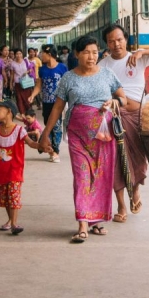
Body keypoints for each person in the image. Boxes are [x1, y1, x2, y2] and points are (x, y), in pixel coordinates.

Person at [38, 35, 128, 243]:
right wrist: (45, 134)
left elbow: (123, 98)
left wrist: (114, 102)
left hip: (104, 137)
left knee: (101, 177)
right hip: (78, 137)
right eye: (86, 52)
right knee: (82, 178)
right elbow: (58, 108)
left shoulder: (107, 74)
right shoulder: (68, 78)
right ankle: (83, 223)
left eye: (95, 52)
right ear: (77, 54)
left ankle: (96, 221)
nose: (91, 56)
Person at [99, 24, 149, 222]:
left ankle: (135, 190)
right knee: (114, 162)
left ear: (125, 40)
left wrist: (142, 52)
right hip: (113, 118)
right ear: (107, 44)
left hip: (136, 117)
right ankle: (121, 206)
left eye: (119, 39)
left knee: (137, 159)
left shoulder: (138, 57)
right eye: (111, 41)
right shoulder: (104, 65)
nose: (116, 44)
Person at [0, 99, 44, 235]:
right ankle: (10, 220)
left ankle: (14, 223)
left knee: (14, 196)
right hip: (1, 170)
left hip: (15, 170)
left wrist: (40, 146)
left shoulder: (19, 130)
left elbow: (30, 143)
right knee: (5, 197)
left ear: (9, 112)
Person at [28, 44, 68, 162]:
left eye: (42, 53)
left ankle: (55, 151)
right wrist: (32, 95)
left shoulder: (62, 68)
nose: (40, 55)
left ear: (49, 54)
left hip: (58, 103)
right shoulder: (42, 69)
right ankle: (49, 148)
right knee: (48, 125)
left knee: (56, 126)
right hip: (46, 103)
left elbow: (67, 85)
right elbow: (39, 85)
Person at [8, 48, 36, 115]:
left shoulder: (26, 61)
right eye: (17, 54)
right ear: (15, 55)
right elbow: (12, 74)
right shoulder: (12, 64)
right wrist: (11, 84)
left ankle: (29, 112)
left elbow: (31, 70)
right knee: (19, 98)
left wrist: (27, 72)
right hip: (18, 83)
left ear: (22, 54)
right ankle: (22, 113)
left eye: (20, 53)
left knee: (27, 97)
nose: (18, 55)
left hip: (26, 83)